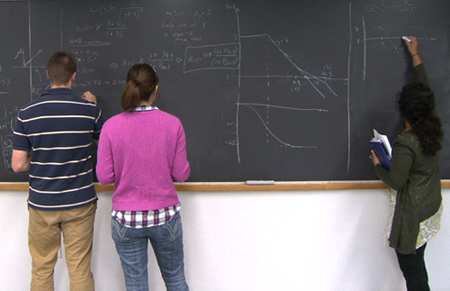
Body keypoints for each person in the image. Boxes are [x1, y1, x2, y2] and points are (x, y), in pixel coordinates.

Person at [12, 51, 104, 291]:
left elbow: (18, 164)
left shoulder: (27, 113)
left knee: (42, 268)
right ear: (74, 76)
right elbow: (106, 146)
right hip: (80, 203)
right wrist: (93, 106)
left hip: (43, 204)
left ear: (47, 75)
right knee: (80, 269)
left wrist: (41, 158)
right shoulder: (89, 111)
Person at [96, 63, 191, 291]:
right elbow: (181, 174)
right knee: (176, 281)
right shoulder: (173, 124)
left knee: (136, 286)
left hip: (126, 219)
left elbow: (104, 177)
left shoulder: (111, 127)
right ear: (155, 90)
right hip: (165, 216)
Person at [371, 36, 443, 291]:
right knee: (419, 263)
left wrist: (379, 163)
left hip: (413, 215)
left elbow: (397, 181)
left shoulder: (406, 143)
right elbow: (425, 88)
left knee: (413, 272)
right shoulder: (431, 125)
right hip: (430, 205)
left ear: (405, 111)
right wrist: (415, 55)